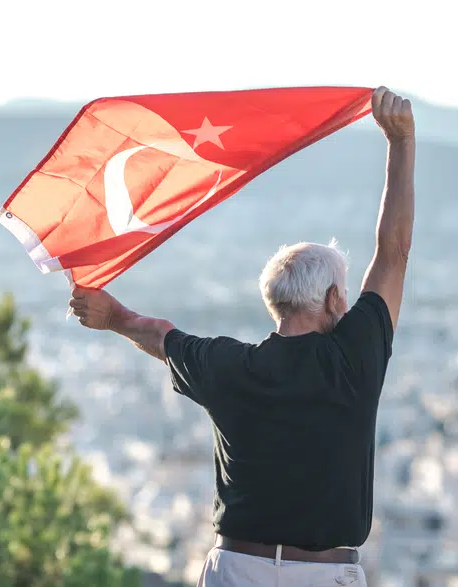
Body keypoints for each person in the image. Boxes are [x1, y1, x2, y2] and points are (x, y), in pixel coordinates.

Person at [68, 86, 416, 587]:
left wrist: (111, 315)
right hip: (323, 575)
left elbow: (160, 336)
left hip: (237, 568)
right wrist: (401, 143)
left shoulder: (229, 367)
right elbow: (394, 251)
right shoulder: (354, 358)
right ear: (336, 301)